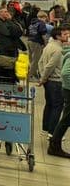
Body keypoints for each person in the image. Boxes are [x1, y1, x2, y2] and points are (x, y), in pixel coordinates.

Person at [39, 26, 68, 137]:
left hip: (49, 81)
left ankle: (45, 128)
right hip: (56, 81)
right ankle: (52, 132)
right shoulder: (58, 50)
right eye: (65, 34)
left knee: (49, 105)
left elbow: (40, 62)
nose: (67, 36)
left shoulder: (49, 46)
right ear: (58, 36)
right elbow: (50, 66)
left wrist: (43, 77)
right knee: (57, 107)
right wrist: (43, 78)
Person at [48, 24, 70, 157]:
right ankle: (54, 145)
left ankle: (54, 144)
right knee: (66, 119)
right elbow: (66, 73)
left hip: (66, 88)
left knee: (67, 119)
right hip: (68, 89)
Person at [27, 11, 49, 79]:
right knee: (36, 60)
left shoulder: (32, 23)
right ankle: (29, 76)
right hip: (36, 42)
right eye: (46, 18)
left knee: (31, 59)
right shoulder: (41, 23)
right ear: (44, 17)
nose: (46, 20)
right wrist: (46, 44)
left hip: (29, 41)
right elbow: (43, 35)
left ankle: (35, 75)